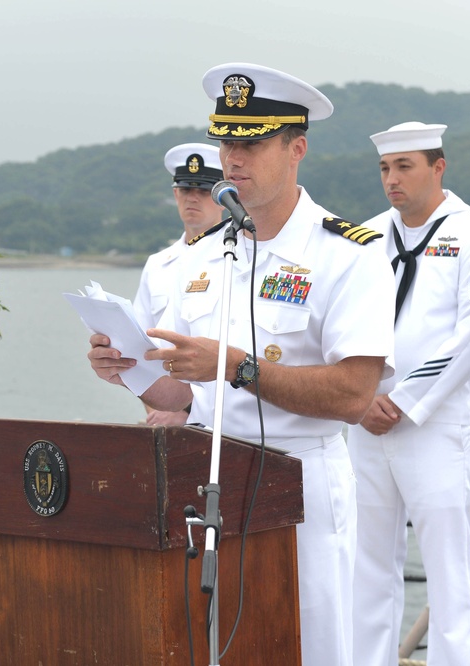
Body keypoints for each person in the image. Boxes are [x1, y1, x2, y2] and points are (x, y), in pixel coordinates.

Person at [87, 62, 395, 665]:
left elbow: (355, 396)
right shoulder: (207, 256)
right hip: (207, 483)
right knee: (212, 647)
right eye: (228, 142)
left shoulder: (346, 255)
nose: (233, 160)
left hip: (300, 484)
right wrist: (129, 369)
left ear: (296, 148)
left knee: (310, 647)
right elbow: (185, 398)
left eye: (251, 145)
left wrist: (238, 368)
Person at [347, 122, 470, 665]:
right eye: (386, 169)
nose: (392, 179)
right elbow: (342, 326)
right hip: (364, 420)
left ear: (438, 167)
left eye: (405, 166)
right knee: (365, 563)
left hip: (432, 424)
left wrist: (406, 400)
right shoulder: (366, 238)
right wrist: (361, 396)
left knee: (448, 566)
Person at [132, 143, 226, 426]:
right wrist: (158, 409)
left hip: (222, 420)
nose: (192, 199)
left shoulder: (240, 259)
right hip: (162, 417)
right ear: (175, 194)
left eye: (202, 191)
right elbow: (139, 349)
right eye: (186, 190)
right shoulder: (158, 264)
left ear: (222, 197)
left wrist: (185, 414)